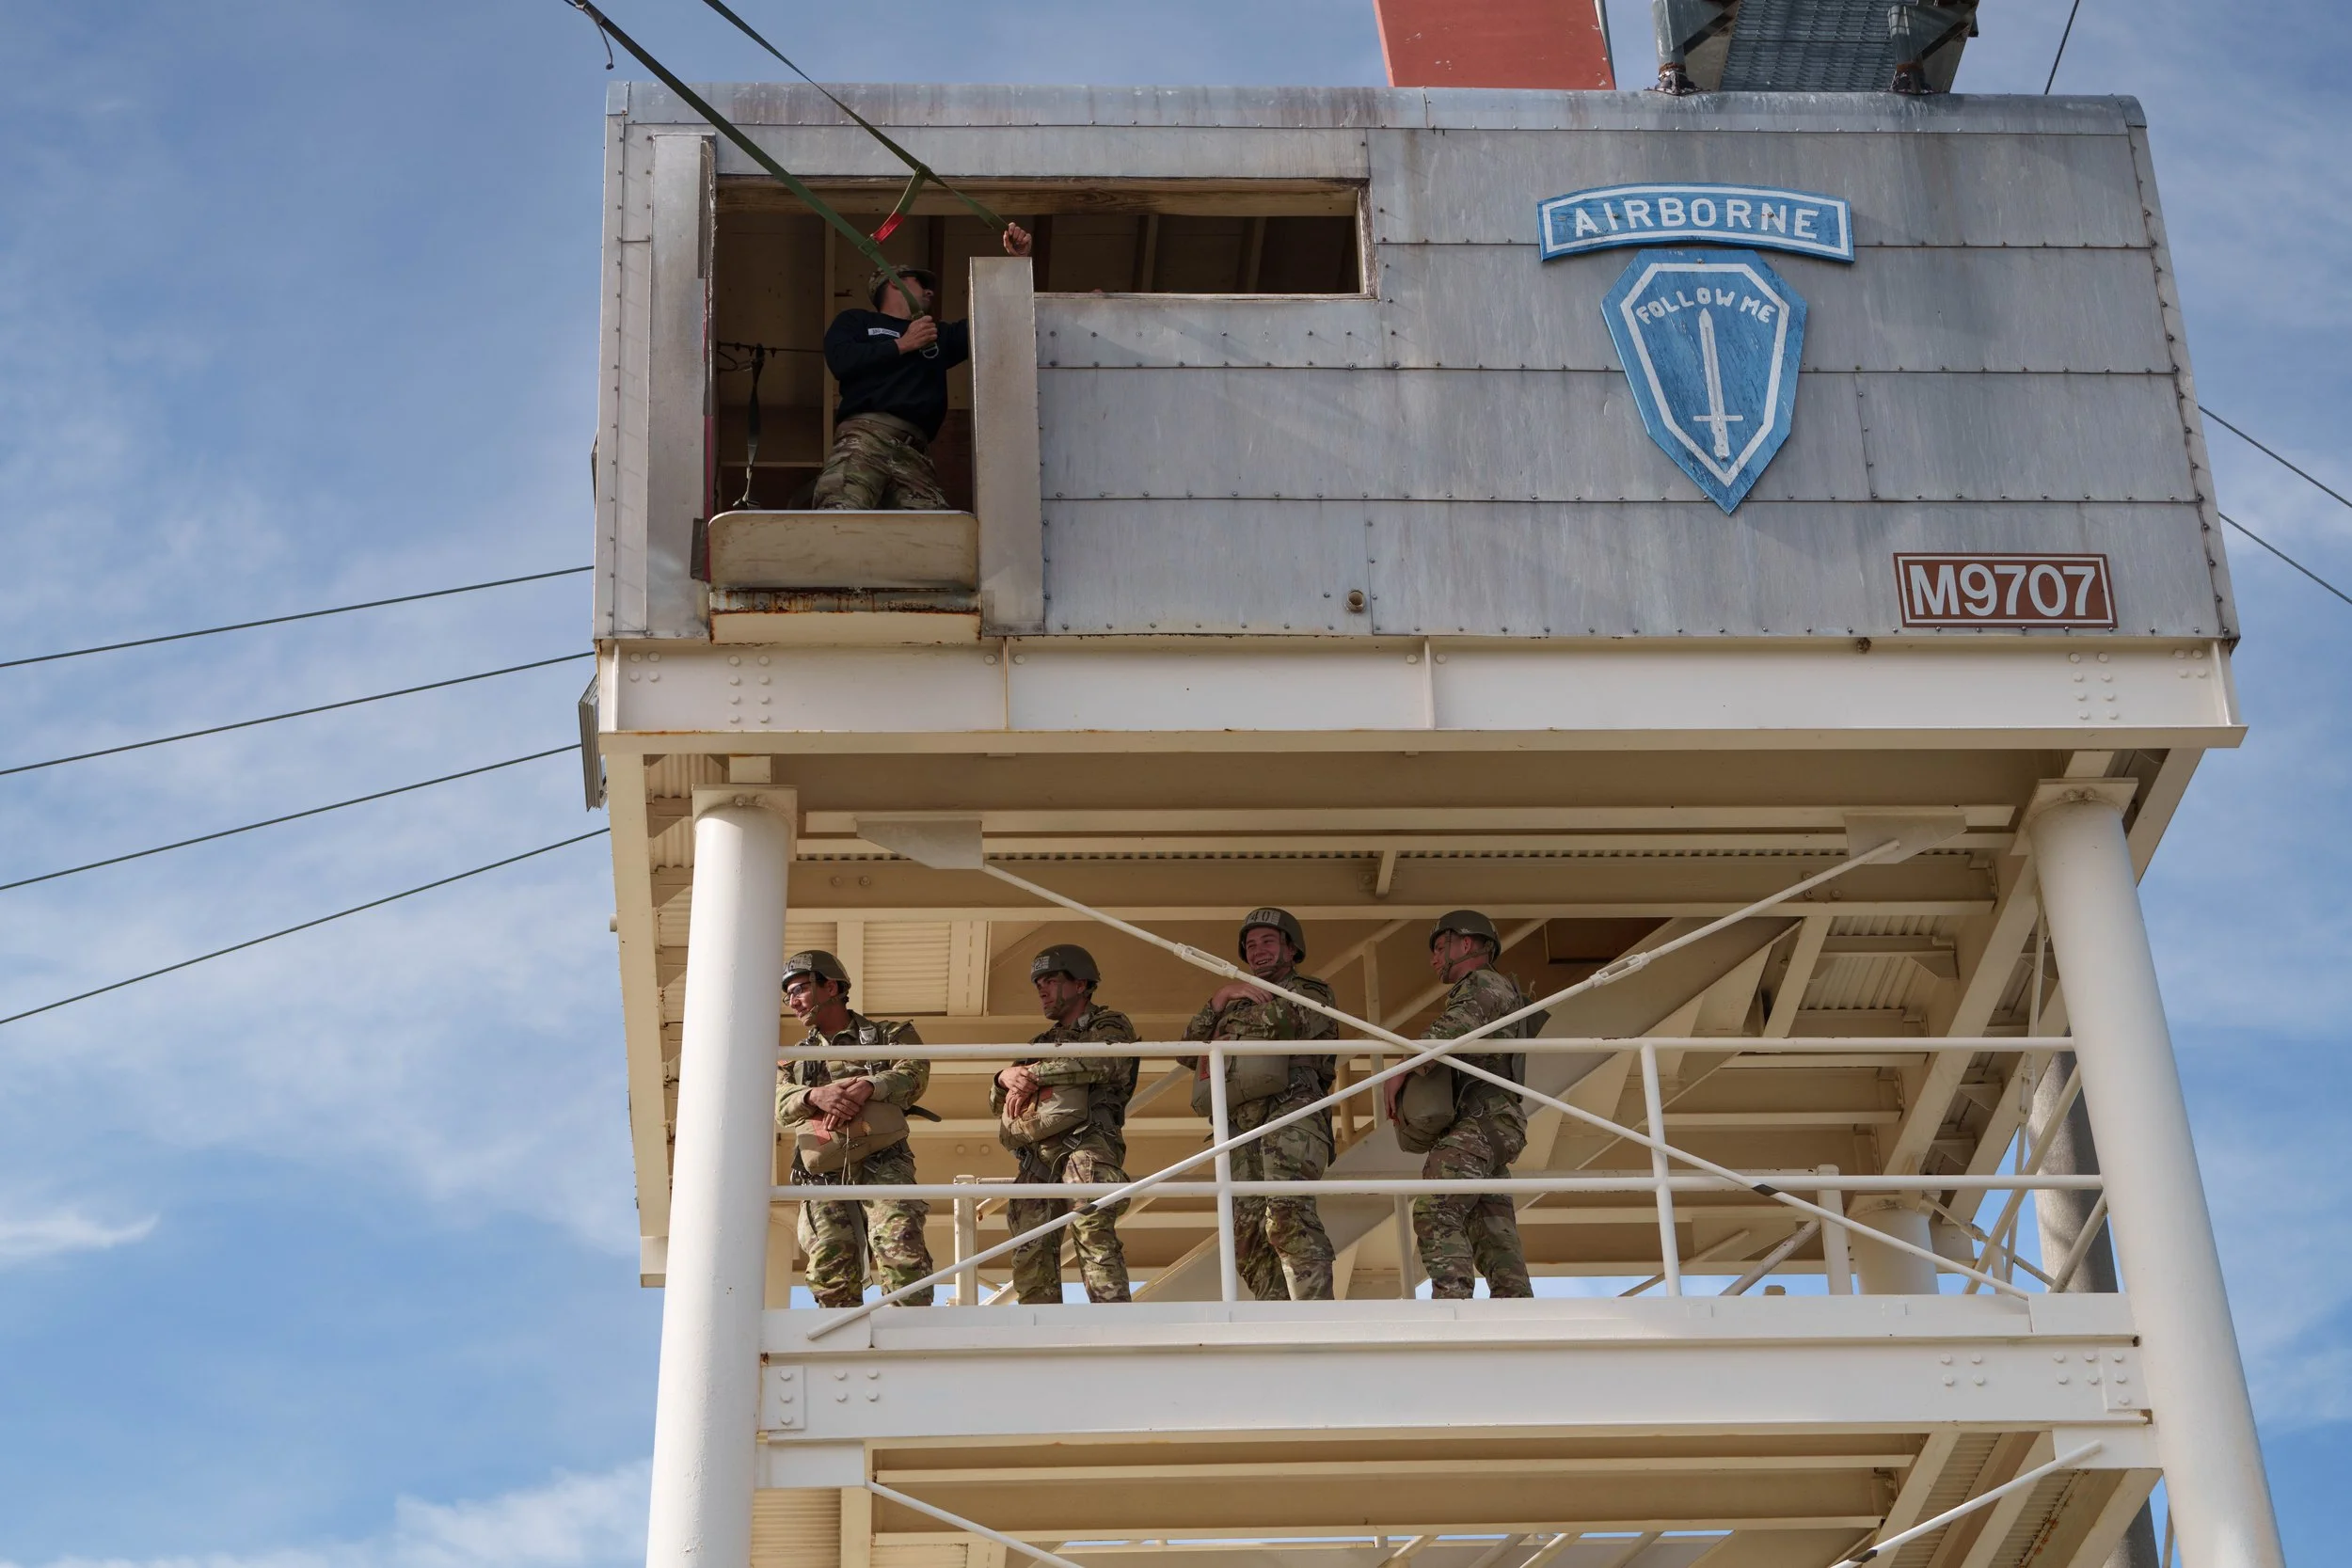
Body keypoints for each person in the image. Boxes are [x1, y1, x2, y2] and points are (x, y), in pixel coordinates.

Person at [811, 223, 1034, 511]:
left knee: (933, 529)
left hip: (915, 452)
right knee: (839, 514)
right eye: (920, 282)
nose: (930, 291)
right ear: (895, 282)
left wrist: (1017, 264)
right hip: (864, 438)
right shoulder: (857, 321)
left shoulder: (937, 335)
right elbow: (841, 359)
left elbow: (993, 320)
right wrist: (902, 344)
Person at [1182, 908, 1340, 1301]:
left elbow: (1288, 1020)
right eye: (1250, 945)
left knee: (1287, 1214)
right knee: (1247, 1234)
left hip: (1293, 1113)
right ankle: (1276, 1316)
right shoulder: (1231, 1003)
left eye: (1268, 941)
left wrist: (1227, 1033)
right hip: (1243, 1126)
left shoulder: (1311, 990)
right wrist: (1219, 999)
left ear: (1291, 948)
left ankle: (1314, 1314)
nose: (1258, 951)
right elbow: (1187, 1051)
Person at [1385, 911, 1537, 1299]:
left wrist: (1401, 1069)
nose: (1434, 958)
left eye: (1440, 947)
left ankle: (1452, 1302)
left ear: (1466, 944)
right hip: (1491, 1122)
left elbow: (1450, 1031)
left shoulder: (1483, 983)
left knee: (1435, 1208)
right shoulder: (1494, 987)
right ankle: (1516, 1308)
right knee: (1492, 1229)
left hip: (1483, 1121)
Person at [773, 949, 935, 1308]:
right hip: (822, 1173)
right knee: (830, 1262)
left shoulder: (888, 1035)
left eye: (799, 990)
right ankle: (840, 1335)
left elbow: (914, 1073)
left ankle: (907, 1330)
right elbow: (779, 1103)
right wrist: (815, 1095)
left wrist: (870, 1085)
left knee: (901, 1244)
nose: (793, 1002)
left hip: (885, 1160)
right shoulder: (794, 1057)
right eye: (788, 996)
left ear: (831, 987)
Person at [993, 943, 1139, 1303]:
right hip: (1037, 1157)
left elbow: (1104, 1062)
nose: (1041, 990)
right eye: (1037, 983)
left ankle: (1113, 1321)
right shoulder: (1040, 1043)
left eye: (1050, 980)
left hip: (1087, 1145)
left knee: (1092, 1231)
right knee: (1029, 1248)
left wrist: (1035, 1074)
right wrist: (1003, 1077)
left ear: (1080, 984)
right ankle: (1040, 1326)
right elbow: (996, 1102)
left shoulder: (1109, 1024)